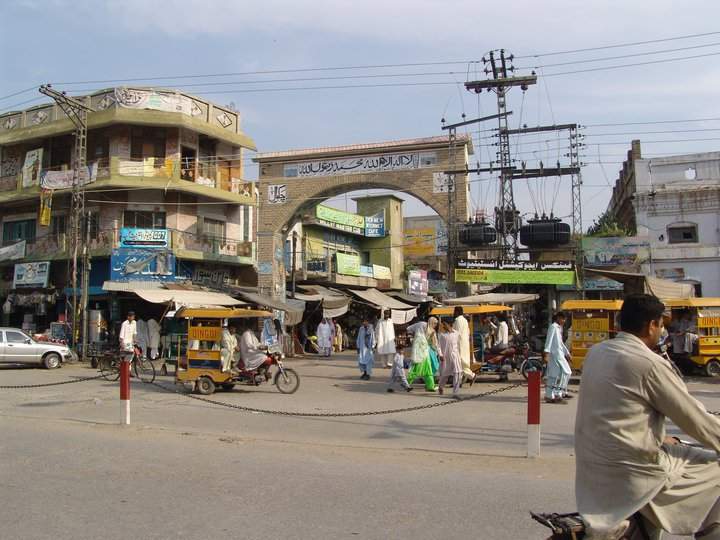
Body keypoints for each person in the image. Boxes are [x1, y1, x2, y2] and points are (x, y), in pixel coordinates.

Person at [576, 294, 720, 539]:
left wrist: (660, 438)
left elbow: (621, 411)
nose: (662, 331)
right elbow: (694, 419)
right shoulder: (648, 363)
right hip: (636, 470)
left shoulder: (596, 353)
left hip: (593, 466)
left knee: (678, 448)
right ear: (653, 325)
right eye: (661, 325)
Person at [543, 311, 572, 404]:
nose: (564, 321)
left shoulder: (559, 328)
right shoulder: (553, 327)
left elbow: (560, 343)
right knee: (567, 372)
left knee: (553, 375)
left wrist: (567, 353)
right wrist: (546, 353)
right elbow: (549, 340)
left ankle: (548, 395)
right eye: (563, 319)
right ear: (558, 318)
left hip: (558, 354)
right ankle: (558, 394)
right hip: (555, 355)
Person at [406, 318, 438, 392]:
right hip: (422, 351)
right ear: (432, 322)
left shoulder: (423, 326)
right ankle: (407, 384)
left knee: (426, 369)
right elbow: (432, 343)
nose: (435, 325)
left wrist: (413, 335)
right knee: (419, 369)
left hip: (421, 351)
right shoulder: (426, 327)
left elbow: (408, 329)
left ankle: (430, 386)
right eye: (435, 323)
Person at [437, 319, 462, 398]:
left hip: (455, 356)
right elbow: (438, 346)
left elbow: (459, 345)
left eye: (445, 324)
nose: (444, 326)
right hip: (445, 358)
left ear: (450, 324)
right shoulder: (441, 335)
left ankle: (455, 393)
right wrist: (440, 355)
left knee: (457, 373)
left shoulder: (456, 333)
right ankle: (441, 386)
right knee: (445, 375)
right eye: (443, 324)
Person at [452, 307, 476, 386]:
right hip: (464, 343)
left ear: (458, 312)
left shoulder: (458, 320)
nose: (453, 313)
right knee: (461, 363)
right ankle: (458, 382)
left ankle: (471, 375)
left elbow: (456, 333)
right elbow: (468, 332)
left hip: (460, 344)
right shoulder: (465, 320)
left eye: (454, 311)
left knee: (460, 363)